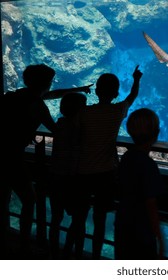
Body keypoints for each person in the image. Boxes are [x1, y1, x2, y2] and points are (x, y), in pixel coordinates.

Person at [0, 64, 91, 258]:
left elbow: (50, 95)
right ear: (45, 84)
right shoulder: (37, 105)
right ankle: (23, 245)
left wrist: (77, 90)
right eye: (49, 82)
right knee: (29, 199)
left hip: (4, 153)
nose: (51, 85)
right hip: (12, 156)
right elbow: (56, 130)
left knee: (5, 198)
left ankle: (7, 241)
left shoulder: (18, 95)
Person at [72, 65, 142, 259]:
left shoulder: (83, 113)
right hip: (106, 172)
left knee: (79, 217)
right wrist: (136, 79)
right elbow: (132, 97)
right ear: (116, 93)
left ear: (96, 91)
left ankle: (75, 254)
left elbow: (77, 136)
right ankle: (95, 256)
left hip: (83, 170)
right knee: (100, 218)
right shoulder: (118, 110)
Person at [114, 108, 165, 260]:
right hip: (142, 231)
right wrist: (159, 236)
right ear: (156, 133)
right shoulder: (148, 165)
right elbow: (151, 203)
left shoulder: (126, 157)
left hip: (123, 225)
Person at [48, 92, 87, 259]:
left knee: (56, 218)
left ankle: (54, 253)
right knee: (78, 219)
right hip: (73, 179)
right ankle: (72, 254)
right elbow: (75, 154)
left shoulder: (60, 124)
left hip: (56, 176)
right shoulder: (78, 129)